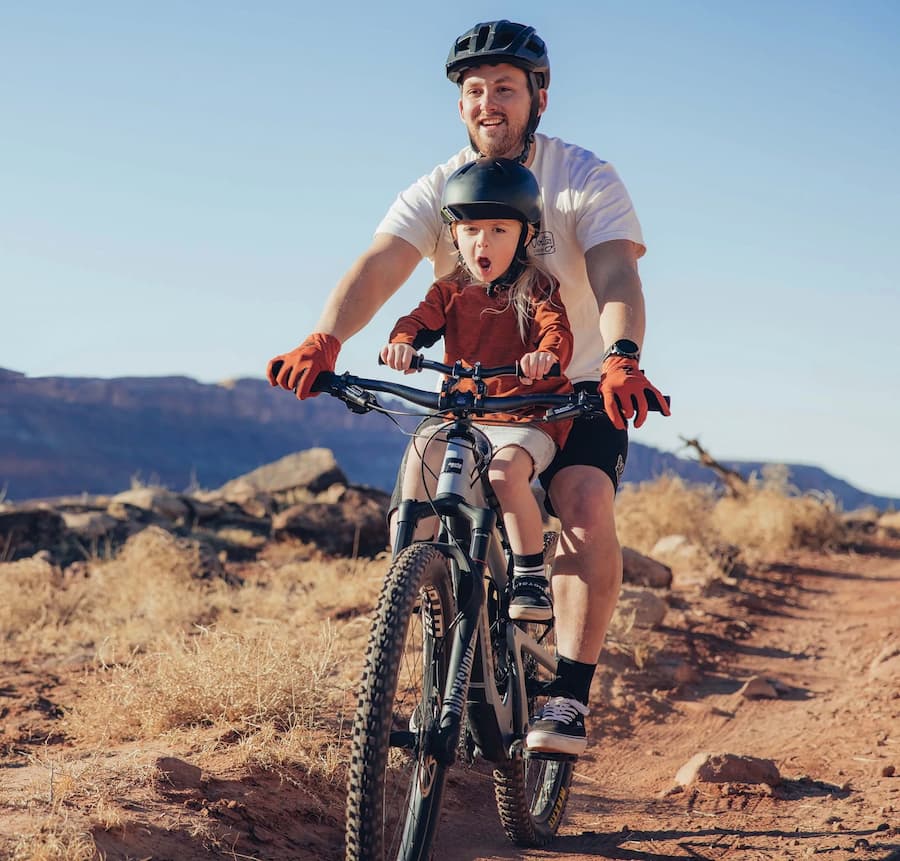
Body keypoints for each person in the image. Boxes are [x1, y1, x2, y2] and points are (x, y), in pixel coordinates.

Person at [267, 19, 670, 757]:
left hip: (575, 387)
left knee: (583, 503)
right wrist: (326, 338)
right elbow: (382, 263)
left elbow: (616, 271)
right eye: (475, 91)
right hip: (475, 395)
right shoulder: (442, 185)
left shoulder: (583, 177)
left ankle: (567, 696)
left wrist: (620, 354)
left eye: (506, 89)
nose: (490, 103)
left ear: (538, 97)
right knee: (416, 489)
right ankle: (428, 641)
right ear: (460, 106)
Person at [382, 156, 573, 622]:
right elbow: (418, 322)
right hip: (465, 414)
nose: (481, 242)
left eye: (498, 231)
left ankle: (529, 575)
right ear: (454, 235)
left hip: (527, 414)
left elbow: (556, 333)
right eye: (469, 231)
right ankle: (413, 569)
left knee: (505, 474)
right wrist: (403, 343)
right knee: (422, 448)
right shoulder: (449, 290)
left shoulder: (537, 287)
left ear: (525, 235)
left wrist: (544, 356)